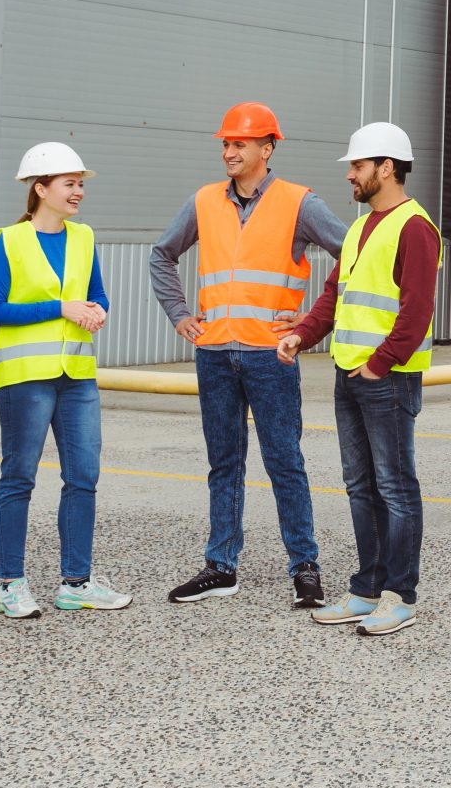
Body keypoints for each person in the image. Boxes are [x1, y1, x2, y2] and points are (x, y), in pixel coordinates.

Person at [147, 102, 349, 609]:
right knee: (224, 463)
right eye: (225, 143)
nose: (229, 151)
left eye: (240, 143)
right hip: (214, 353)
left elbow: (354, 254)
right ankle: (221, 566)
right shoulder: (203, 201)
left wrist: (308, 325)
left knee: (285, 462)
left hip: (270, 356)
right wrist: (178, 314)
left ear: (267, 148)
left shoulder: (300, 202)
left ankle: (304, 567)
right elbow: (161, 255)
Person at [280, 123, 441, 639]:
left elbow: (416, 311)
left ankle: (400, 596)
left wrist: (380, 363)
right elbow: (335, 295)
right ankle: (367, 590)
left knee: (396, 488)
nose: (350, 175)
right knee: (359, 486)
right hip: (350, 375)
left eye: (357, 166)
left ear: (385, 167)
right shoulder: (359, 228)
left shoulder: (415, 228)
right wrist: (302, 336)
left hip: (386, 378)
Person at [0, 142, 129, 619]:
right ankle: (9, 584)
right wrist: (62, 308)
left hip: (77, 376)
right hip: (25, 378)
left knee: (83, 478)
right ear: (40, 189)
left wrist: (97, 311)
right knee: (18, 479)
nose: (79, 191)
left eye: (81, 183)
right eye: (70, 183)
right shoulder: (10, 240)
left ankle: (76, 583)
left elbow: (98, 294)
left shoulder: (84, 237)